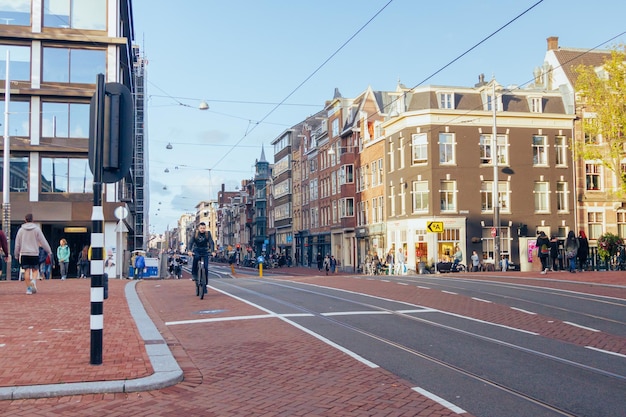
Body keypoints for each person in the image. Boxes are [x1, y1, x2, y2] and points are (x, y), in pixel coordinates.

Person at [14, 213, 52, 295]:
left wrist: (16, 254)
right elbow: (43, 241)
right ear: (33, 219)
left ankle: (28, 289)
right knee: (35, 270)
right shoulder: (37, 229)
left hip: (24, 253)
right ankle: (33, 281)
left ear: (25, 220)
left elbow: (17, 244)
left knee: (26, 271)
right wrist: (49, 251)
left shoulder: (21, 230)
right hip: (34, 253)